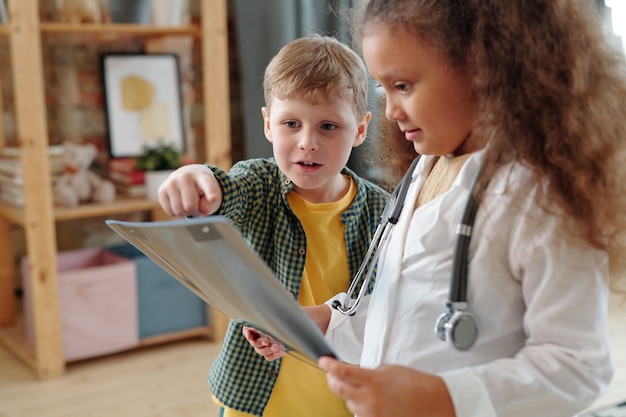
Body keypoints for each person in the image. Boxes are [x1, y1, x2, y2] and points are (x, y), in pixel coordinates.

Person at [245, 1, 626, 416]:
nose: (390, 110)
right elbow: (410, 305)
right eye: (382, 88)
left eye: (403, 85)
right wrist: (327, 322)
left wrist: (445, 397)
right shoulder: (424, 169)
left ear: (483, 66)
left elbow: (577, 368)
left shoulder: (542, 198)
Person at [158, 35, 389, 417]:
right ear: (268, 124)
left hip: (339, 400)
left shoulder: (381, 211)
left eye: (328, 126)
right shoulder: (261, 184)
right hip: (256, 398)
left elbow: (377, 306)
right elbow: (227, 191)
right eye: (291, 124)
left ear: (361, 129)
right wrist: (197, 176)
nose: (307, 142)